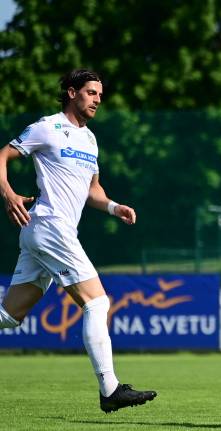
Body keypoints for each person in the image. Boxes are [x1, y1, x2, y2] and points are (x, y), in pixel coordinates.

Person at [0, 69, 156, 413]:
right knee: (96, 303)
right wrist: (8, 193)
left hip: (48, 233)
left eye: (100, 94)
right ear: (72, 93)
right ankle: (110, 390)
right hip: (50, 226)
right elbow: (2, 156)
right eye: (91, 92)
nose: (98, 99)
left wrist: (114, 207)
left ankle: (110, 390)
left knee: (9, 315)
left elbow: (92, 190)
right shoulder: (47, 127)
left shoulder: (90, 140)